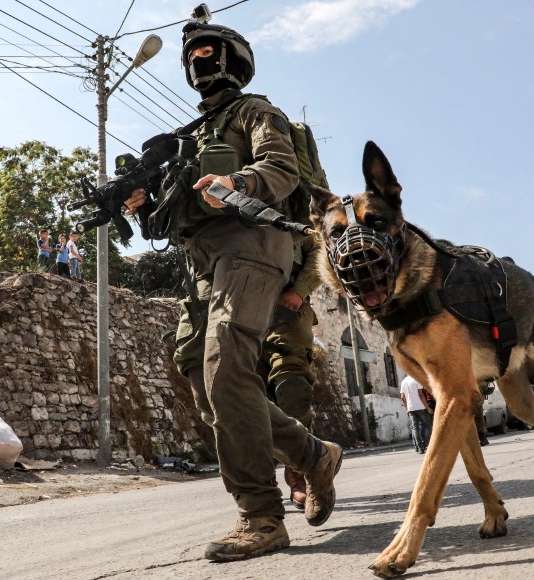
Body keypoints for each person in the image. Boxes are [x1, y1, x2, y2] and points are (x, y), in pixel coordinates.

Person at [124, 16, 341, 563]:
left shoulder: (256, 112)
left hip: (252, 245)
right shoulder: (188, 136)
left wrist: (238, 182)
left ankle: (261, 515)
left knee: (228, 368)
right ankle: (312, 454)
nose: (199, 62)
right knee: (201, 376)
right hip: (202, 261)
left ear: (233, 60)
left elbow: (279, 167)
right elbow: (173, 206)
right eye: (192, 55)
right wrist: (141, 202)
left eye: (208, 52)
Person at [258, 233, 321, 509]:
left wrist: (300, 290)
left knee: (291, 388)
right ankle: (261, 485)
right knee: (248, 398)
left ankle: (299, 476)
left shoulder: (289, 198)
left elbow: (319, 249)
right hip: (240, 310)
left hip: (287, 310)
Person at [400, 375, 433, 453]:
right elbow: (421, 394)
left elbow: (402, 397)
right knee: (427, 425)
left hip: (411, 408)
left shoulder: (403, 382)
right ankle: (428, 444)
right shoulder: (416, 379)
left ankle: (419, 448)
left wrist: (407, 409)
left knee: (415, 428)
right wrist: (427, 407)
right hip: (420, 407)